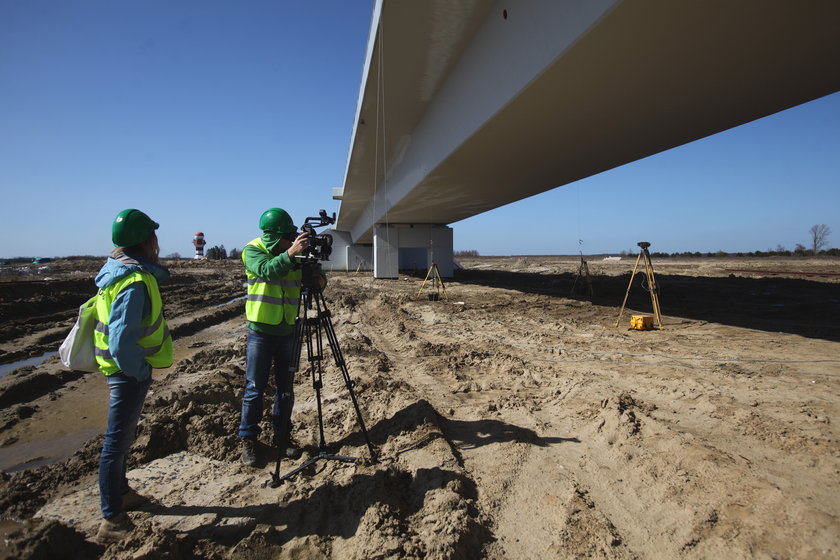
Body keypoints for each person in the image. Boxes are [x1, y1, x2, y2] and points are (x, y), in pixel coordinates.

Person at [93, 209, 173, 543]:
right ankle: (111, 519)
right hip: (127, 373)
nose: (158, 242)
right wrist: (139, 372)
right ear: (145, 241)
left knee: (121, 440)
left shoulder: (115, 271)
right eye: (153, 236)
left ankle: (122, 493)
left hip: (120, 370)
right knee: (116, 442)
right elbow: (123, 339)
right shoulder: (135, 280)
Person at [238, 207, 325, 466]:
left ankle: (282, 437)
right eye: (288, 235)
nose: (292, 238)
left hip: (289, 328)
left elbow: (318, 280)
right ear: (276, 236)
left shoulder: (294, 253)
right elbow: (267, 271)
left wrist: (319, 277)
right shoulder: (253, 250)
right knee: (254, 388)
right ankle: (248, 440)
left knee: (285, 389)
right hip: (261, 331)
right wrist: (291, 253)